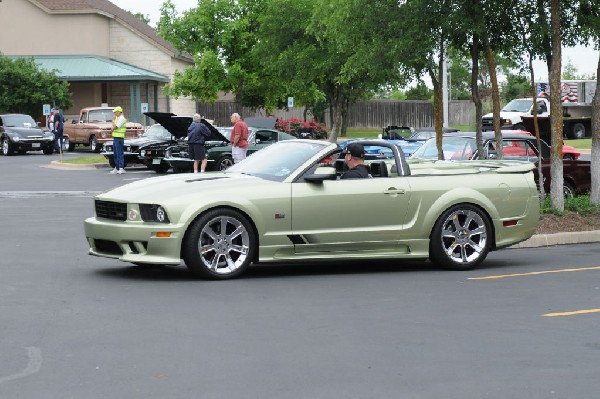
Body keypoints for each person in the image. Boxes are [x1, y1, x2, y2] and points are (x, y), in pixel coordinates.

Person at [110, 106, 127, 174]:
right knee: (115, 154)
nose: (114, 113)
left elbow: (115, 128)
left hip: (119, 138)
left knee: (119, 153)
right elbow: (112, 128)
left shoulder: (122, 119)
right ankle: (117, 167)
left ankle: (121, 168)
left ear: (119, 112)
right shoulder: (117, 118)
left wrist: (113, 121)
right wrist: (113, 123)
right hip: (115, 138)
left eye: (115, 112)